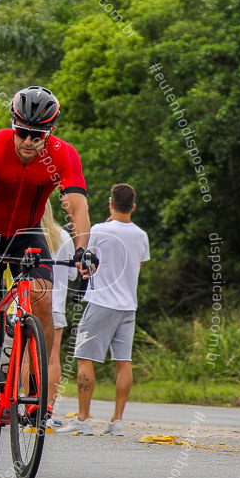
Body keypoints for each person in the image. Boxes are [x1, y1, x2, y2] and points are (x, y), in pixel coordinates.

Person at [0, 85, 92, 417]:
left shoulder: (63, 154)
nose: (29, 141)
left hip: (27, 234)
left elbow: (78, 207)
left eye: (38, 135)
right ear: (12, 125)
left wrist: (83, 250)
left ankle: (34, 386)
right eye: (22, 133)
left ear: (50, 132)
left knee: (42, 299)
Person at [59, 183, 149, 436]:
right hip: (128, 306)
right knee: (124, 362)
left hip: (101, 302)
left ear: (111, 203)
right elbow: (138, 267)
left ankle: (84, 419)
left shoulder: (99, 229)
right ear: (133, 206)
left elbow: (86, 256)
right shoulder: (141, 235)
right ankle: (117, 421)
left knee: (85, 358)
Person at [42, 203, 76, 422]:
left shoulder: (24, 236)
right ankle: (47, 411)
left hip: (29, 304)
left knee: (28, 358)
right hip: (55, 307)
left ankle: (28, 407)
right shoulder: (63, 236)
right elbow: (73, 275)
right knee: (52, 358)